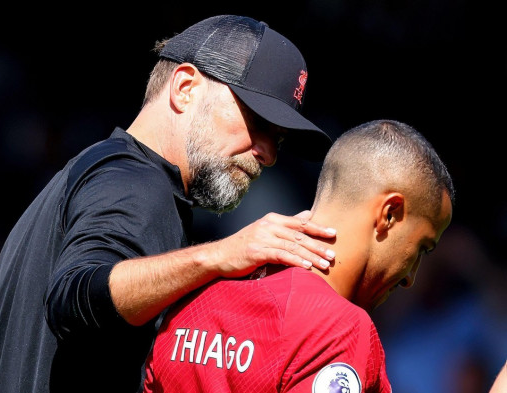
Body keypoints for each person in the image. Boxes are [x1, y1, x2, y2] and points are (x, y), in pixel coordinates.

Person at [0, 15, 338, 393]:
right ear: (184, 88)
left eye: (277, 140)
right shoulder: (139, 185)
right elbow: (74, 295)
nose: (267, 154)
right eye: (257, 120)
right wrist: (220, 255)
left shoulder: (83, 175)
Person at [143, 119, 455, 393]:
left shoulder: (193, 301)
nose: (411, 278)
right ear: (389, 213)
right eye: (421, 249)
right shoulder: (341, 330)